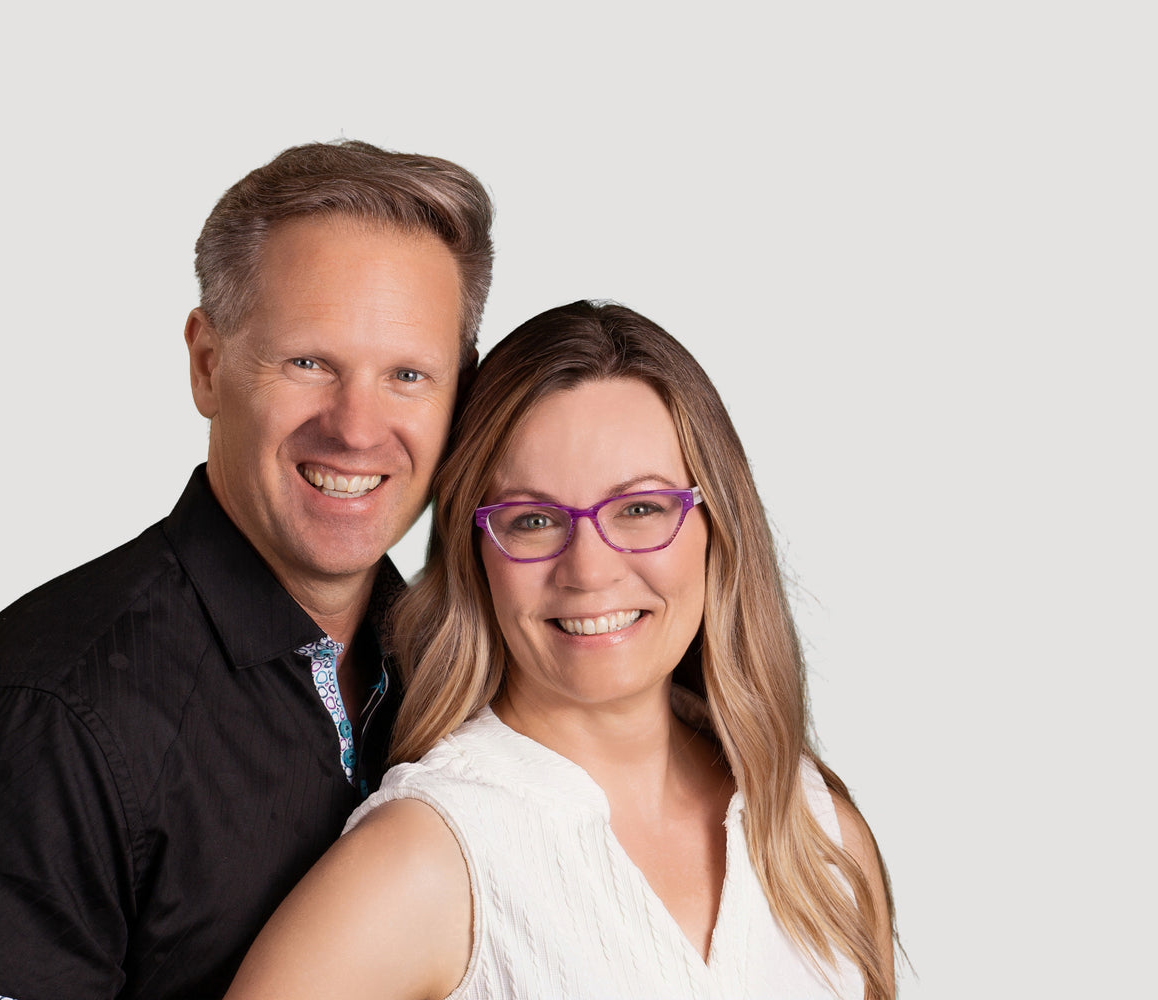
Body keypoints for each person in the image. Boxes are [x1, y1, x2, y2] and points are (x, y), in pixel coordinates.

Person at [0, 140, 494, 999]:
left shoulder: (465, 674)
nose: (357, 428)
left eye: (408, 375)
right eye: (309, 362)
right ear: (208, 363)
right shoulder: (43, 718)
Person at [226, 300, 897, 1000]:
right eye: (534, 520)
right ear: (474, 551)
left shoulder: (820, 836)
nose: (590, 571)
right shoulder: (429, 857)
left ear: (716, 525)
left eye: (640, 508)